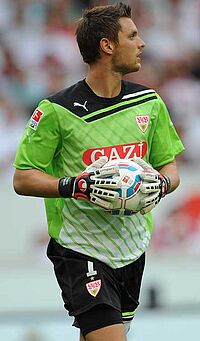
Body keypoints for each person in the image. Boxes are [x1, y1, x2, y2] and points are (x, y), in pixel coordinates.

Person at [13, 3, 184, 341]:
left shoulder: (149, 102)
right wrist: (76, 185)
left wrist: (160, 184)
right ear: (107, 46)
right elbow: (22, 178)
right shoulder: (57, 110)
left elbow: (171, 168)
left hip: (131, 248)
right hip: (80, 249)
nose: (142, 43)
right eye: (132, 35)